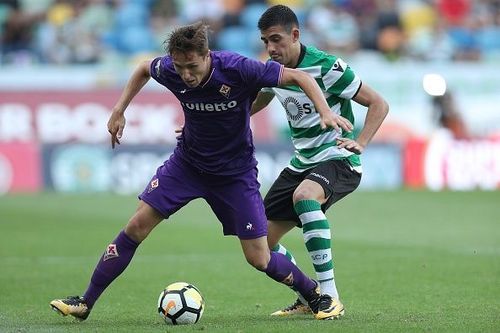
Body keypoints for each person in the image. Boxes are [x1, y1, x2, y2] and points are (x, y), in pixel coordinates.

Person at [49, 22, 355, 321]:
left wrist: (325, 112)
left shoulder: (239, 68)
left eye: (192, 66)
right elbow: (144, 68)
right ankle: (85, 302)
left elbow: (301, 78)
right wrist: (119, 109)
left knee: (259, 257)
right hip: (187, 165)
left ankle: (315, 295)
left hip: (234, 174)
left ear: (207, 55)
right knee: (136, 226)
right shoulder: (170, 68)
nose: (186, 75)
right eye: (180, 67)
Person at [252, 5, 389, 317]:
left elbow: (379, 103)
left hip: (338, 157)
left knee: (305, 196)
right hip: (302, 162)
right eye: (265, 42)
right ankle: (308, 294)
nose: (271, 48)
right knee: (260, 243)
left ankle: (329, 296)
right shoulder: (273, 71)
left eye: (276, 39)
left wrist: (362, 141)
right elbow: (255, 103)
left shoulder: (327, 67)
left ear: (295, 35)